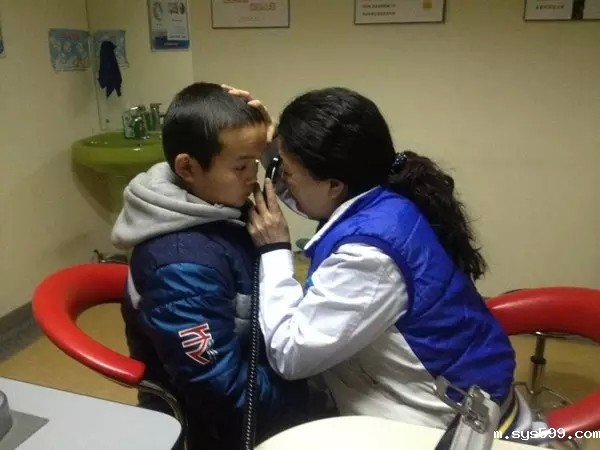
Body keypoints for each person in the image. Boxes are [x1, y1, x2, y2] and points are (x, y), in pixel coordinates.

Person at [227, 85, 527, 434]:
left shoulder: (367, 256)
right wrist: (274, 146)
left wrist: (275, 251)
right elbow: (311, 191)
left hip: (451, 425)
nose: (281, 181)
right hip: (479, 386)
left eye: (287, 172)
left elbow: (289, 355)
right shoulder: (385, 195)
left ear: (334, 184)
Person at [111, 82, 307, 450]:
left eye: (257, 162)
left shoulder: (216, 202)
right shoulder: (180, 266)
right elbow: (227, 396)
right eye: (242, 166)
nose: (254, 176)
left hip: (258, 371)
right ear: (187, 167)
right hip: (213, 429)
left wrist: (272, 144)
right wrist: (310, 390)